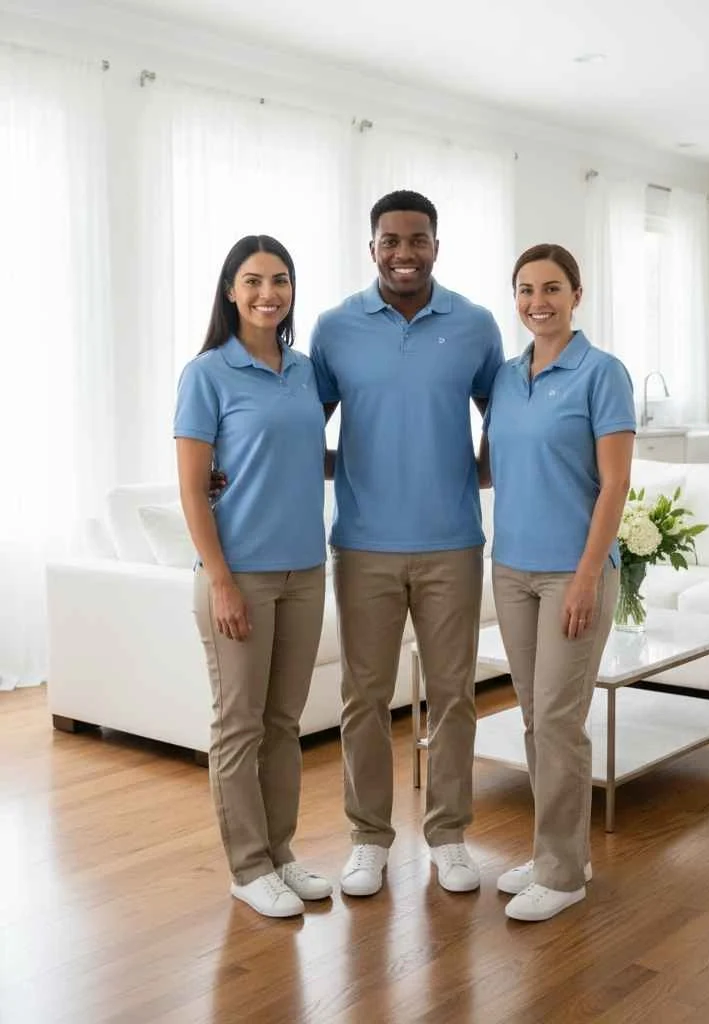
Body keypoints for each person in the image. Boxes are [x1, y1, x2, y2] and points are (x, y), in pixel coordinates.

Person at [310, 190, 505, 897]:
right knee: (364, 697)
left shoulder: (478, 325)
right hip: (361, 546)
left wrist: (478, 472)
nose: (403, 252)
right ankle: (368, 839)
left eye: (416, 239)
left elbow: (506, 416)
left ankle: (449, 836)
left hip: (453, 543)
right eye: (390, 240)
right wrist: (343, 464)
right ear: (372, 249)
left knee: (453, 694)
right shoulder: (334, 329)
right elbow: (306, 424)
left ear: (436, 246)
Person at [175, 235, 333, 918]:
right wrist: (222, 582)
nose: (268, 293)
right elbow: (190, 489)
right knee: (238, 724)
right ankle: (248, 866)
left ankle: (281, 851)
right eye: (253, 281)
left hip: (307, 568)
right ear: (231, 291)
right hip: (239, 575)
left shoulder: (304, 372)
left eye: (280, 280)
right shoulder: (206, 374)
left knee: (282, 722)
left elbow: (299, 453)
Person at [479, 243, 635, 922]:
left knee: (560, 721)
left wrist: (586, 577)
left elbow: (615, 483)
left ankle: (563, 874)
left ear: (577, 294)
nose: (537, 302)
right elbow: (488, 469)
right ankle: (557, 851)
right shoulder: (508, 378)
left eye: (550, 289)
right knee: (537, 720)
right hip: (510, 568)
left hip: (574, 571)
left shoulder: (603, 373)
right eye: (524, 290)